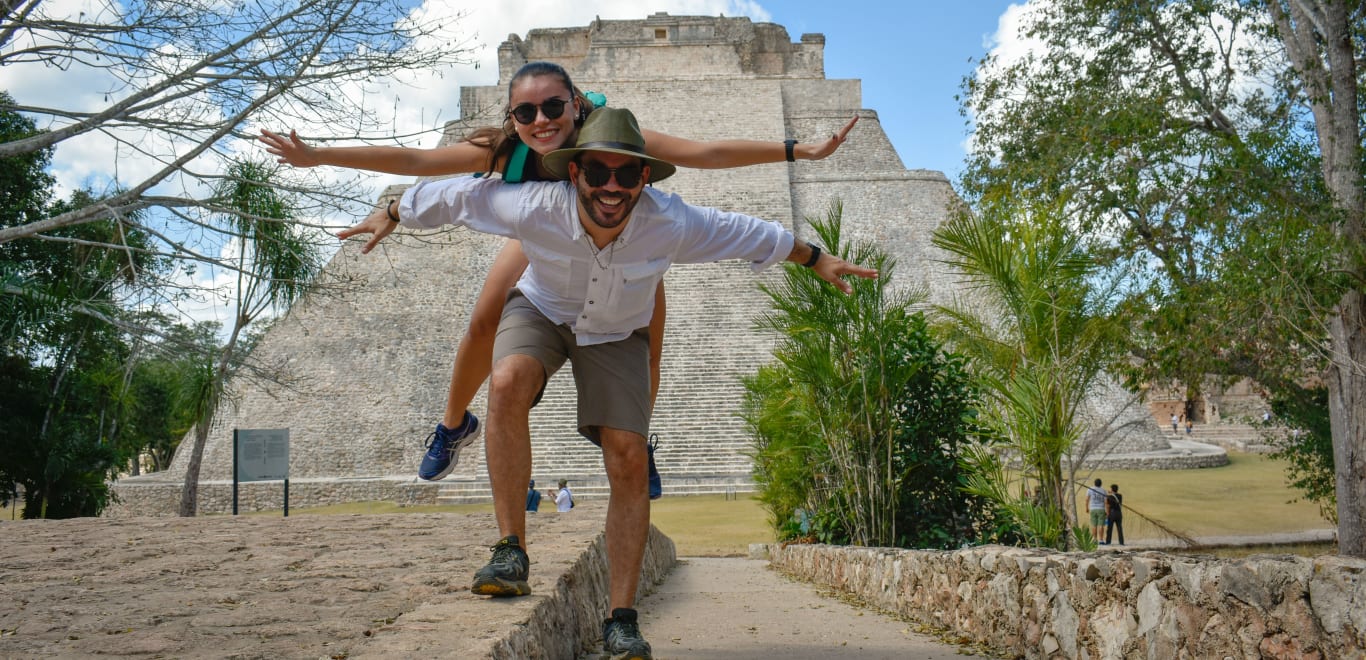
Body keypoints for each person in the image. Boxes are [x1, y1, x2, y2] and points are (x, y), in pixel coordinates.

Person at [353, 107, 877, 659]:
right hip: (543, 309)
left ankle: (621, 620)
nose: (611, 186)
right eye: (597, 172)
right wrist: (392, 209)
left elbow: (749, 232)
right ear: (574, 174)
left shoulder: (671, 223)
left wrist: (815, 257)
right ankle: (511, 550)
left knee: (627, 456)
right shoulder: (535, 204)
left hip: (616, 330)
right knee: (505, 381)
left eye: (627, 174)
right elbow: (457, 197)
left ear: (645, 178)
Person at [259, 61, 858, 492]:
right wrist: (325, 159)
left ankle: (637, 442)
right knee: (484, 320)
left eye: (553, 107)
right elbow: (418, 165)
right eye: (526, 112)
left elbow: (703, 152)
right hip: (539, 230)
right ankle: (452, 424)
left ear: (576, 104)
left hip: (621, 238)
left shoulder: (615, 139)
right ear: (511, 116)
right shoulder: (504, 152)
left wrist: (794, 150)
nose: (542, 121)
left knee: (647, 338)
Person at [1086, 478, 1107, 543]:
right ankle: (1101, 540)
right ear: (1101, 484)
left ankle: (1095, 539)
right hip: (1101, 509)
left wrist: (1086, 508)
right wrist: (1106, 510)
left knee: (1094, 525)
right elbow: (1106, 501)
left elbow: (1087, 499)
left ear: (1094, 483)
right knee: (1101, 525)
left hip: (1093, 508)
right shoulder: (1103, 490)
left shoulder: (1090, 489)